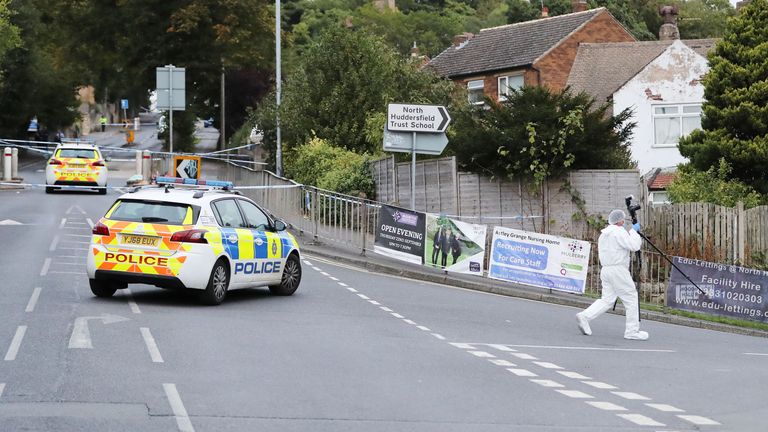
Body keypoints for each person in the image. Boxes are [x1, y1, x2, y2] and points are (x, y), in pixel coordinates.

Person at [576, 209, 648, 340]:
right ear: (620, 221)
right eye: (623, 220)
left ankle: (585, 316)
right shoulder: (619, 232)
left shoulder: (604, 234)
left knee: (607, 299)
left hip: (606, 269)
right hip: (618, 270)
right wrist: (633, 231)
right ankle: (632, 331)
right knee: (631, 297)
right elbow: (634, 245)